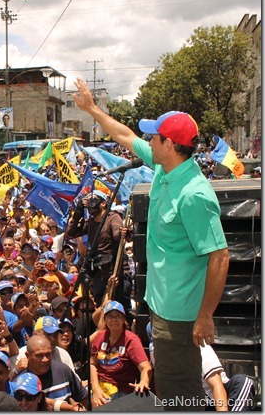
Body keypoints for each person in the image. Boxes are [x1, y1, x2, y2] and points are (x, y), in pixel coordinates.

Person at [73, 77, 229, 409]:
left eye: (153, 137)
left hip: (181, 317)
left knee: (180, 395)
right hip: (162, 308)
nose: (148, 140)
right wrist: (91, 109)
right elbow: (125, 135)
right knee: (172, 388)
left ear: (169, 144)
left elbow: (220, 256)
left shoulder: (194, 194)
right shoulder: (164, 169)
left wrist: (205, 315)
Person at [90, 301, 151, 407]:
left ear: (124, 319)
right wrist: (95, 388)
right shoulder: (99, 337)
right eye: (110, 316)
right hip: (101, 385)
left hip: (122, 390)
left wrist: (143, 382)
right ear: (104, 319)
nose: (114, 319)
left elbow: (146, 367)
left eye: (118, 316)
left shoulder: (131, 340)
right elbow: (93, 364)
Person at [200, 344, 255, 411]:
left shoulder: (201, 348)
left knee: (242, 382)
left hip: (223, 400)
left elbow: (217, 385)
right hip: (199, 404)